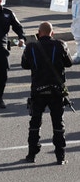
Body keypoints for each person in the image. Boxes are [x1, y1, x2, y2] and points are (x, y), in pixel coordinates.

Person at [21, 21, 72, 164]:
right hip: (56, 91)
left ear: (39, 32)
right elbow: (69, 63)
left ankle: (31, 155)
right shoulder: (61, 45)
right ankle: (60, 156)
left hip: (38, 90)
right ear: (52, 32)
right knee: (58, 124)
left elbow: (24, 65)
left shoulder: (31, 46)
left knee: (35, 123)